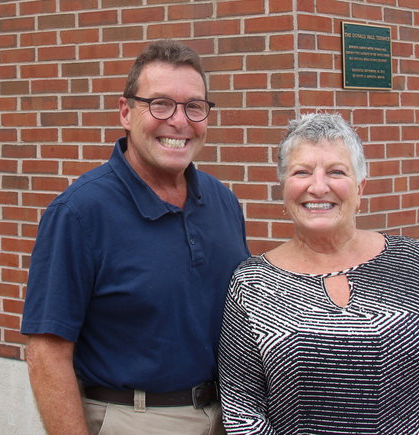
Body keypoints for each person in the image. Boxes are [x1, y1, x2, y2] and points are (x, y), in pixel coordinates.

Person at [22, 40, 250, 435]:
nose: (179, 121)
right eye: (160, 104)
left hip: (227, 417)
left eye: (194, 106)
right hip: (134, 419)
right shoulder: (79, 213)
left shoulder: (222, 201)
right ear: (126, 112)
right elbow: (47, 354)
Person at [218, 112, 419, 434]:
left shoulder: (413, 260)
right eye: (302, 172)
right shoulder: (251, 281)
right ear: (284, 188)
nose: (318, 186)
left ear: (360, 188)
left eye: (336, 172)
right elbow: (242, 405)